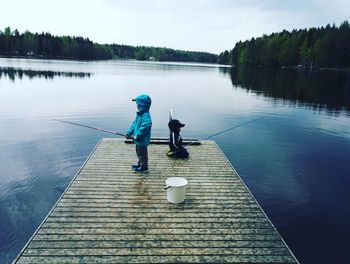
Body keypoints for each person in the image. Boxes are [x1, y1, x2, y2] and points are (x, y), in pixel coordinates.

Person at [125, 94, 152, 173]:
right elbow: (134, 125)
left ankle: (144, 167)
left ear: (142, 105)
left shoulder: (146, 116)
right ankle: (140, 164)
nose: (137, 105)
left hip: (142, 140)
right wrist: (129, 133)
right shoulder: (139, 115)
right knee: (139, 153)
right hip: (138, 140)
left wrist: (137, 135)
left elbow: (146, 126)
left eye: (137, 104)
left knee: (142, 154)